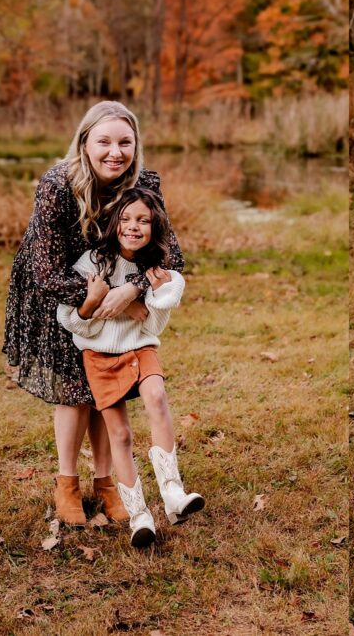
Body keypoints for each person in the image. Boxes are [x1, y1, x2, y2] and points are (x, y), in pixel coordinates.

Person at [3, 101, 184, 526]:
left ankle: (108, 485)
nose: (114, 152)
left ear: (136, 145)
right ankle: (66, 483)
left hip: (116, 288)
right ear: (85, 143)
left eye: (125, 142)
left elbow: (171, 253)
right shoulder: (57, 184)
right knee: (73, 388)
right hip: (58, 290)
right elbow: (44, 271)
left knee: (107, 389)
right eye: (103, 141)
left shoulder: (145, 183)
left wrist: (132, 288)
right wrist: (95, 299)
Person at [57, 187, 205, 547]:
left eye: (143, 220)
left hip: (140, 348)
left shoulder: (153, 268)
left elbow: (151, 327)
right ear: (112, 222)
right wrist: (93, 304)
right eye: (125, 219)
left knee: (157, 397)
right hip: (100, 357)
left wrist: (155, 299)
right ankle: (139, 515)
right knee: (119, 435)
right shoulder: (91, 262)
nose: (133, 227)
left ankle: (172, 492)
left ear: (156, 226)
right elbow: (70, 320)